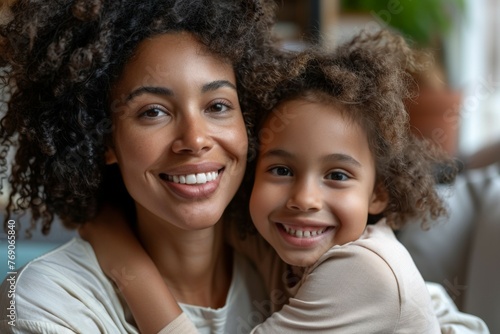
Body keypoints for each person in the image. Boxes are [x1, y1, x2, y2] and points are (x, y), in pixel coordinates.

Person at [82, 31, 490, 333]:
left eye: (337, 175)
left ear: (378, 193)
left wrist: (128, 266)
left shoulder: (363, 269)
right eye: (281, 170)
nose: (304, 199)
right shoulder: (283, 239)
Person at [0, 0, 280, 333]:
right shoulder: (48, 302)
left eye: (218, 106)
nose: (195, 139)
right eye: (153, 112)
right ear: (105, 140)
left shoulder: (291, 275)